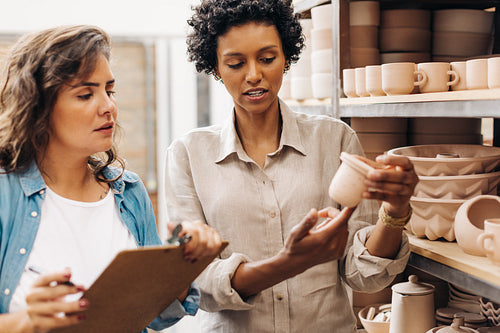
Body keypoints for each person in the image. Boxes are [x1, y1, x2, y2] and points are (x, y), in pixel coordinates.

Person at [164, 0, 420, 332]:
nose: (254, 74)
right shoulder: (188, 155)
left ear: (286, 57)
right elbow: (197, 282)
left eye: (267, 59)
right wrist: (287, 264)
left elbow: (363, 274)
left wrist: (395, 211)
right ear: (215, 68)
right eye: (236, 63)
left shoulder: (335, 140)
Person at [0, 25, 222, 333]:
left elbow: (158, 315)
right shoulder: (5, 196)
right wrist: (24, 322)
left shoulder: (129, 192)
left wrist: (182, 268)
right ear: (38, 106)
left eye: (110, 90)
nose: (108, 107)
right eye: (85, 94)